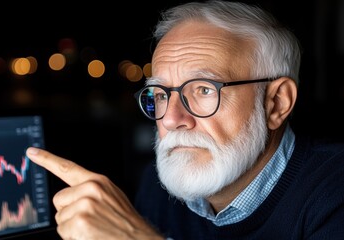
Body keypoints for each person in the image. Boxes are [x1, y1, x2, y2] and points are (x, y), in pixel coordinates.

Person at [26, 0, 344, 239]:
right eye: (161, 94)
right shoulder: (159, 184)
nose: (174, 119)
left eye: (204, 89)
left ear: (276, 103)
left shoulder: (334, 194)